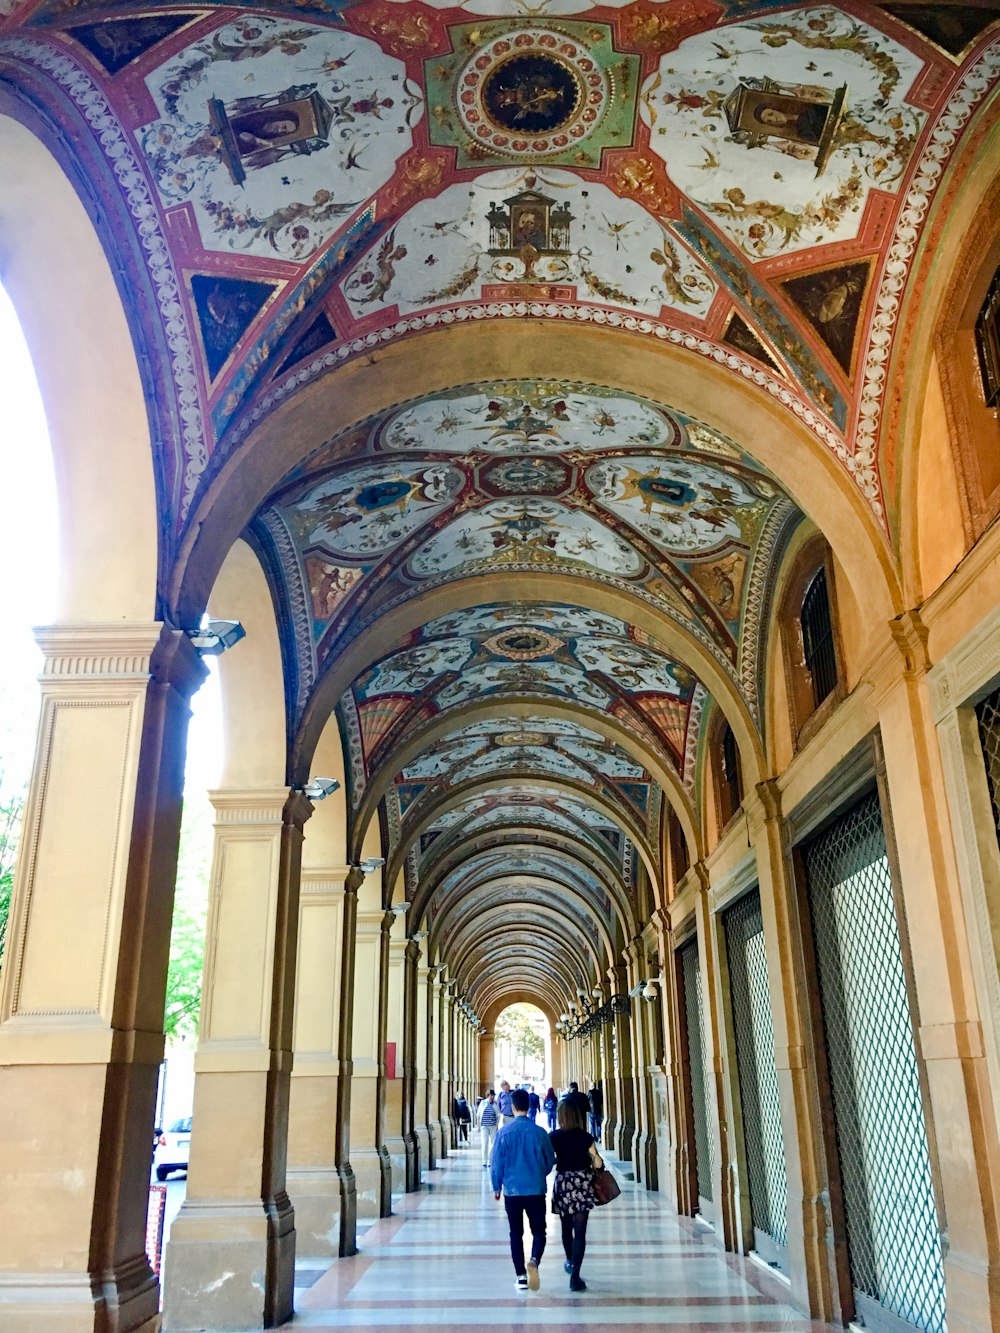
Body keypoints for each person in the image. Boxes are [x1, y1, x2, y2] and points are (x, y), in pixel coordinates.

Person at [491, 1087, 556, 1293]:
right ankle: (534, 1260)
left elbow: (496, 1164)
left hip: (512, 1191)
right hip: (535, 1189)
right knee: (539, 1231)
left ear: (512, 1107)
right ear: (529, 1107)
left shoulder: (503, 1134)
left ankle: (520, 1276)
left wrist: (496, 1186)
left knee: (515, 1233)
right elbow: (549, 1159)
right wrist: (540, 1173)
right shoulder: (539, 1132)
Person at [550, 1095, 603, 1292]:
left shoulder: (554, 1136)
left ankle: (570, 1260)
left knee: (566, 1228)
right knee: (580, 1232)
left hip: (564, 1183)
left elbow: (549, 1159)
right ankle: (575, 1276)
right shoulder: (585, 1136)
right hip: (582, 1183)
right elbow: (597, 1162)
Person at [479, 1089, 500, 1166]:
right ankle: (484, 1160)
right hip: (484, 1126)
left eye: (493, 1096)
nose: (492, 1097)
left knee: (493, 1143)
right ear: (488, 1095)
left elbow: (498, 1116)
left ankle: (490, 1160)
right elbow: (479, 1114)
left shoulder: (495, 1104)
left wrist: (497, 1125)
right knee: (484, 1143)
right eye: (491, 1095)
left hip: (493, 1125)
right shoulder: (483, 1103)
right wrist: (478, 1126)